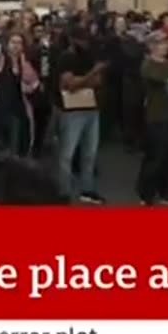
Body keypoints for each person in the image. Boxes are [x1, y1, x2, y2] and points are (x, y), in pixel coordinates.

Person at [56, 26, 106, 204]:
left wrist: (83, 80)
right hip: (71, 111)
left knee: (90, 152)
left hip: (91, 107)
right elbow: (69, 84)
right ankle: (63, 191)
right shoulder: (66, 57)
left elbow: (97, 81)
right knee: (67, 153)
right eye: (82, 40)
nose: (85, 43)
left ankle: (87, 188)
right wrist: (91, 75)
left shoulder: (90, 56)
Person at [138, 34, 168, 207]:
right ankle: (146, 193)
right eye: (162, 43)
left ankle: (166, 192)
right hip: (157, 118)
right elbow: (159, 78)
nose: (166, 46)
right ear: (152, 46)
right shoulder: (148, 65)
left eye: (166, 43)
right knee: (156, 157)